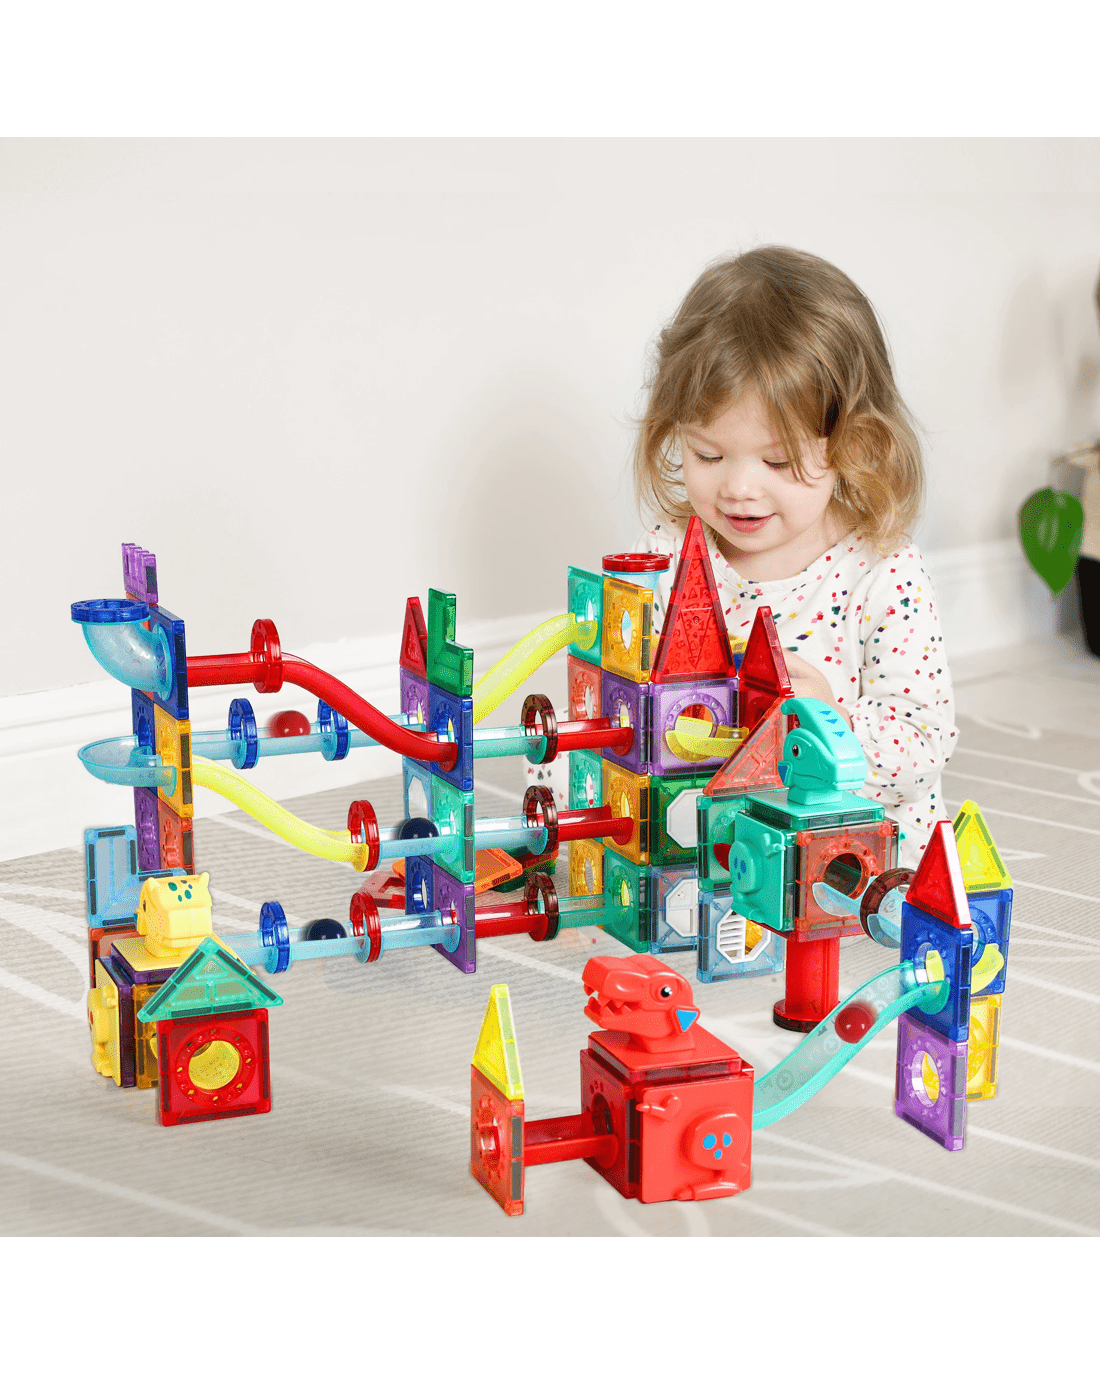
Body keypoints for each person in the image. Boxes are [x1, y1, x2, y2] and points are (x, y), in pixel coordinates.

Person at [633, 246, 955, 867]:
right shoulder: (670, 555)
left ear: (853, 443)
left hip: (855, 869)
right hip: (712, 856)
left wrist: (829, 721)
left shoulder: (883, 570)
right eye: (707, 455)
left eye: (778, 462)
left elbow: (923, 747)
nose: (739, 488)